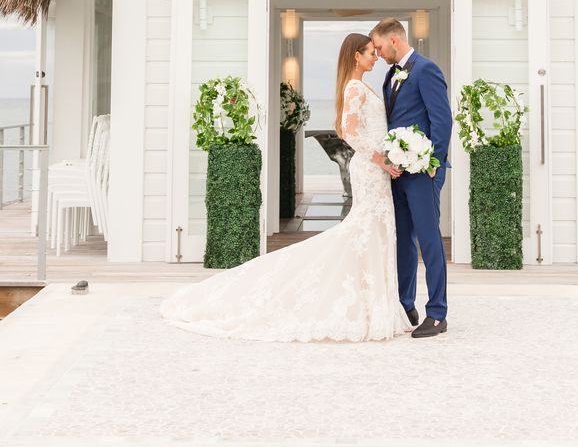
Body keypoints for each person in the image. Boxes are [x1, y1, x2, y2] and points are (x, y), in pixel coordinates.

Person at [160, 33, 409, 342]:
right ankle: (366, 308)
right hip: (370, 170)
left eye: (375, 51)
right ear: (356, 56)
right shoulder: (355, 87)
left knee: (375, 233)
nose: (375, 56)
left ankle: (377, 306)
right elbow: (349, 133)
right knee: (366, 232)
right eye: (371, 52)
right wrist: (380, 159)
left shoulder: (364, 85)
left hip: (376, 171)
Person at [369, 18, 452, 338]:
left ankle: (437, 313)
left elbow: (441, 120)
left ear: (394, 39)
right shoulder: (391, 75)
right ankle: (406, 305)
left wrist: (435, 164)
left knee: (430, 240)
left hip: (423, 172)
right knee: (403, 240)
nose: (377, 53)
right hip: (398, 172)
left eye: (378, 47)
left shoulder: (426, 69)